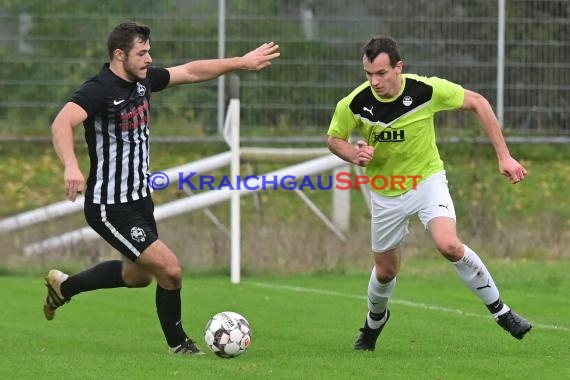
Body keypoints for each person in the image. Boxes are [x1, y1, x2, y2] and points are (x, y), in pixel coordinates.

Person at [44, 21, 279, 355]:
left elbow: (192, 72)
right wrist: (70, 164)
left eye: (149, 51)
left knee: (138, 276)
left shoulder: (144, 82)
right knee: (170, 271)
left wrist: (241, 61)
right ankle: (179, 345)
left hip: (139, 200)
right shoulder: (99, 89)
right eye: (142, 53)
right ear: (119, 55)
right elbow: (61, 122)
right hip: (110, 206)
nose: (149, 58)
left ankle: (65, 287)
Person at [327, 36, 531, 351]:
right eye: (368, 74)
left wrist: (504, 156)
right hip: (385, 190)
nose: (374, 81)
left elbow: (479, 102)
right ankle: (374, 323)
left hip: (426, 180)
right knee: (385, 271)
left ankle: (501, 312)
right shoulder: (354, 103)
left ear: (399, 67)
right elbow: (334, 138)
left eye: (381, 73)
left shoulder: (425, 89)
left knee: (448, 244)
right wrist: (354, 155)